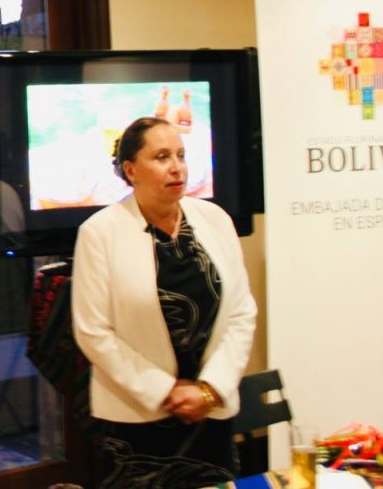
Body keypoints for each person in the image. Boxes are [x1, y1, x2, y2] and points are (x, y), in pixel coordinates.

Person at [71, 117, 257, 488]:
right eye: (161, 157)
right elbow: (93, 331)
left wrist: (209, 389)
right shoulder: (99, 232)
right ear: (130, 170)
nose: (177, 167)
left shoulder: (215, 219)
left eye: (181, 155)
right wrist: (165, 391)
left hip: (210, 412)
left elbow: (241, 313)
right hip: (137, 416)